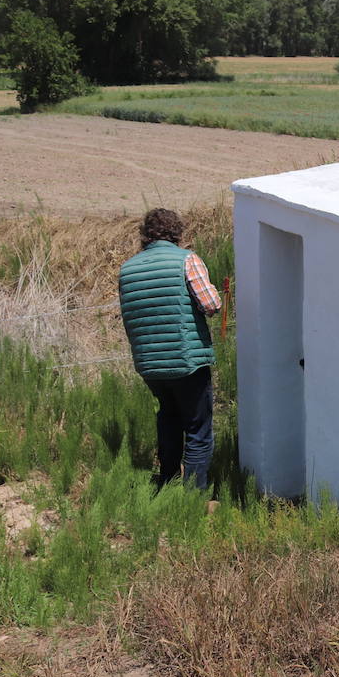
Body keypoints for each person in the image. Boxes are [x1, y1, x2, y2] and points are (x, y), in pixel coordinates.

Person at [118, 208, 223, 489]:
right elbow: (211, 304)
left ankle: (167, 482)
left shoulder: (127, 269)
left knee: (168, 417)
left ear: (145, 235)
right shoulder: (186, 260)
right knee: (197, 429)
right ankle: (194, 496)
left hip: (150, 363)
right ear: (177, 233)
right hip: (186, 358)